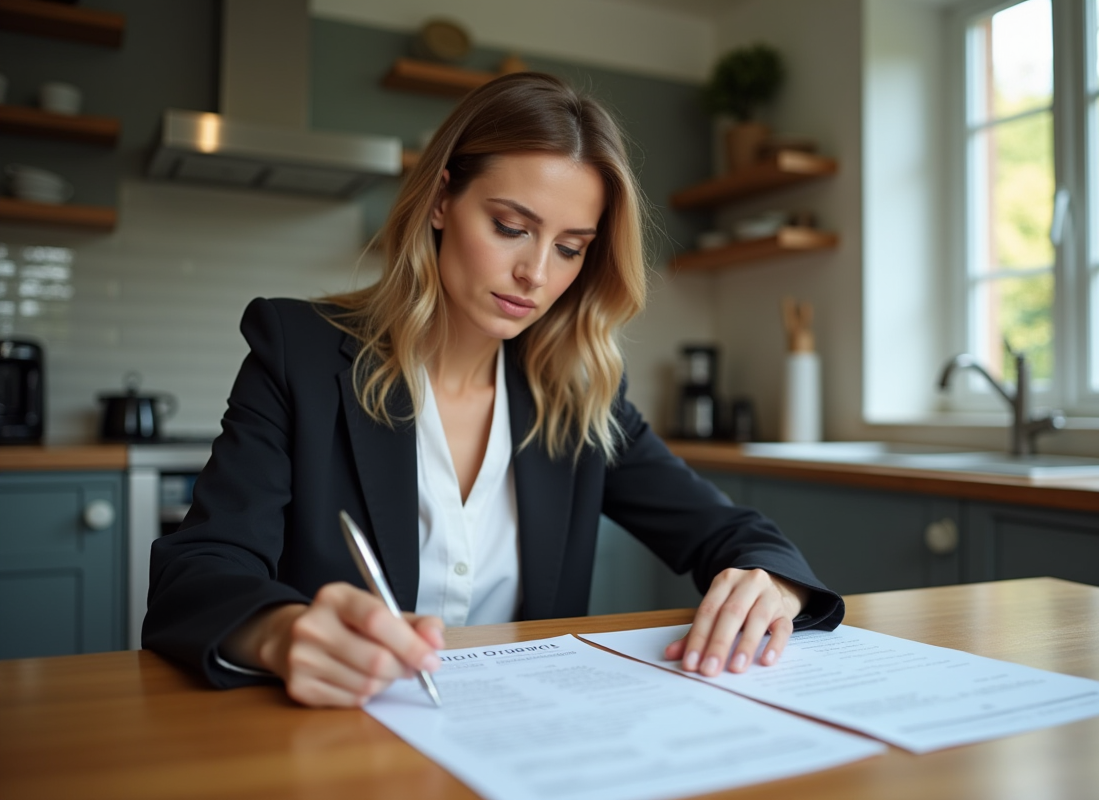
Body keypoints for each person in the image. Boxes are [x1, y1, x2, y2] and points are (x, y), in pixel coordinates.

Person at [143, 72, 844, 708]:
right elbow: (199, 572)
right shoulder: (299, 352)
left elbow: (731, 532)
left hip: (524, 746)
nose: (536, 274)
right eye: (511, 227)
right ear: (443, 198)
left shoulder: (579, 396)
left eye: (571, 247)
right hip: (339, 745)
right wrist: (279, 633)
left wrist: (770, 583)